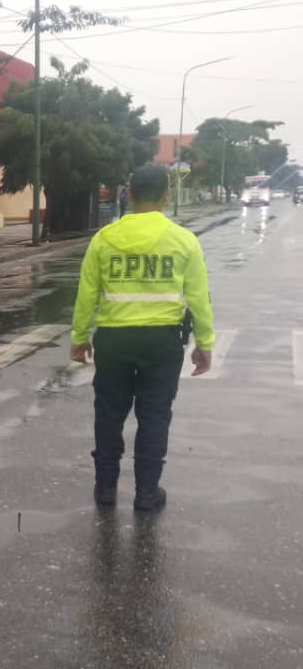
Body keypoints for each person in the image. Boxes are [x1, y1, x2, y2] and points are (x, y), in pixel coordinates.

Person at [70, 164, 215, 511]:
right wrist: (204, 344)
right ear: (167, 195)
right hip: (162, 343)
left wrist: (79, 337)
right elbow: (198, 298)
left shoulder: (104, 239)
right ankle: (147, 493)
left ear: (129, 195)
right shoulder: (183, 241)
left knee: (108, 414)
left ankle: (105, 489)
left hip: (114, 341)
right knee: (154, 416)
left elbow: (87, 293)